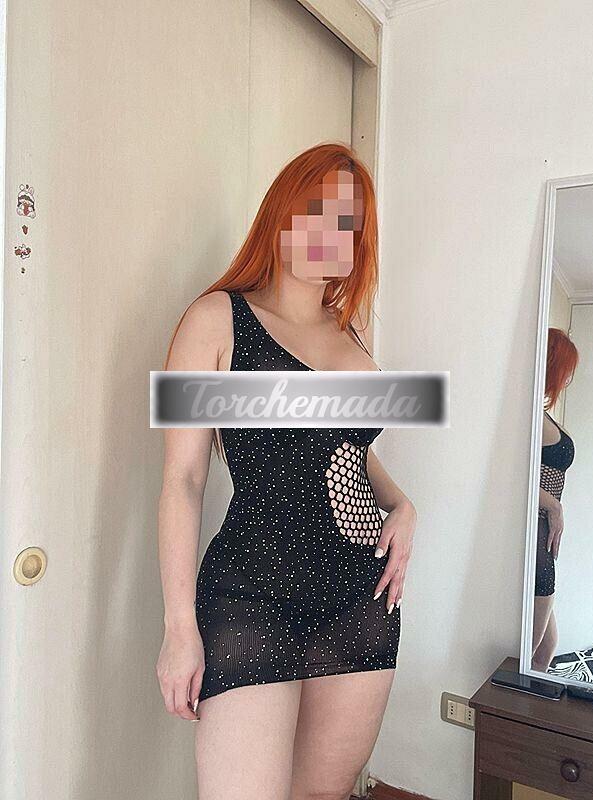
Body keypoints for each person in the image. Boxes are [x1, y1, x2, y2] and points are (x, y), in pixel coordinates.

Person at [156, 142, 417, 799]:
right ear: (282, 211)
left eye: (348, 224)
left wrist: (402, 503)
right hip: (252, 595)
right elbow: (184, 481)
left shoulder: (349, 333)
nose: (331, 234)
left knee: (324, 794)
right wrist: (179, 627)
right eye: (316, 210)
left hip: (360, 597)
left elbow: (344, 448)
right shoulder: (217, 320)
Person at [532, 327, 578, 672]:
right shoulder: (529, 412)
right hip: (535, 532)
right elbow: (514, 474)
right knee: (530, 652)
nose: (568, 379)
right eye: (567, 370)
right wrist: (553, 504)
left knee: (547, 646)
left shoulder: (540, 412)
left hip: (544, 535)